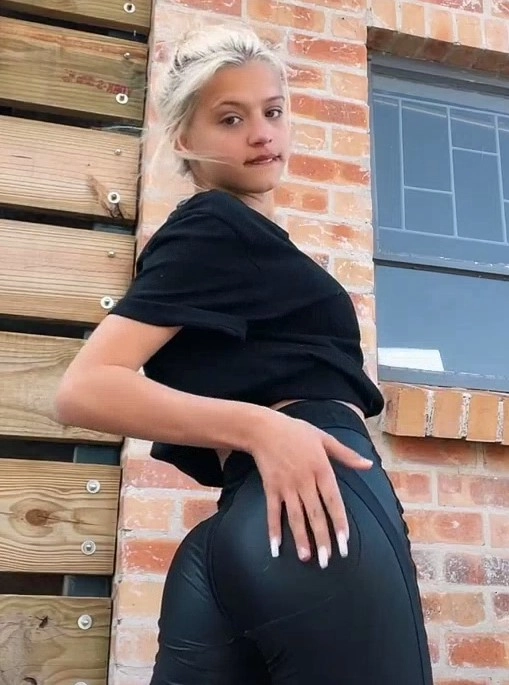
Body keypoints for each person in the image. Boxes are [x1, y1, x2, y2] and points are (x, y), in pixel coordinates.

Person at [54, 24, 433, 685]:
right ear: (184, 139)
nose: (261, 134)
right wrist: (262, 427)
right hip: (315, 513)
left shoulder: (238, 240)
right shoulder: (214, 226)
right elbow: (84, 389)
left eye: (273, 112)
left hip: (245, 526)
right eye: (230, 119)